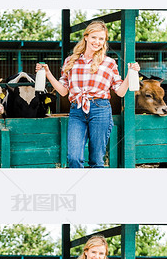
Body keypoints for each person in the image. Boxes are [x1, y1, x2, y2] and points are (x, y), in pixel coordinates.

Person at [35, 20, 140, 168]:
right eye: (94, 37)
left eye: (101, 39)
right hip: (77, 110)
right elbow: (63, 91)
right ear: (86, 37)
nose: (97, 42)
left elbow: (121, 92)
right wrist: (47, 73)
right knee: (73, 157)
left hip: (100, 109)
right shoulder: (70, 61)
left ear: (104, 41)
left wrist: (131, 73)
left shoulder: (109, 63)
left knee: (96, 160)